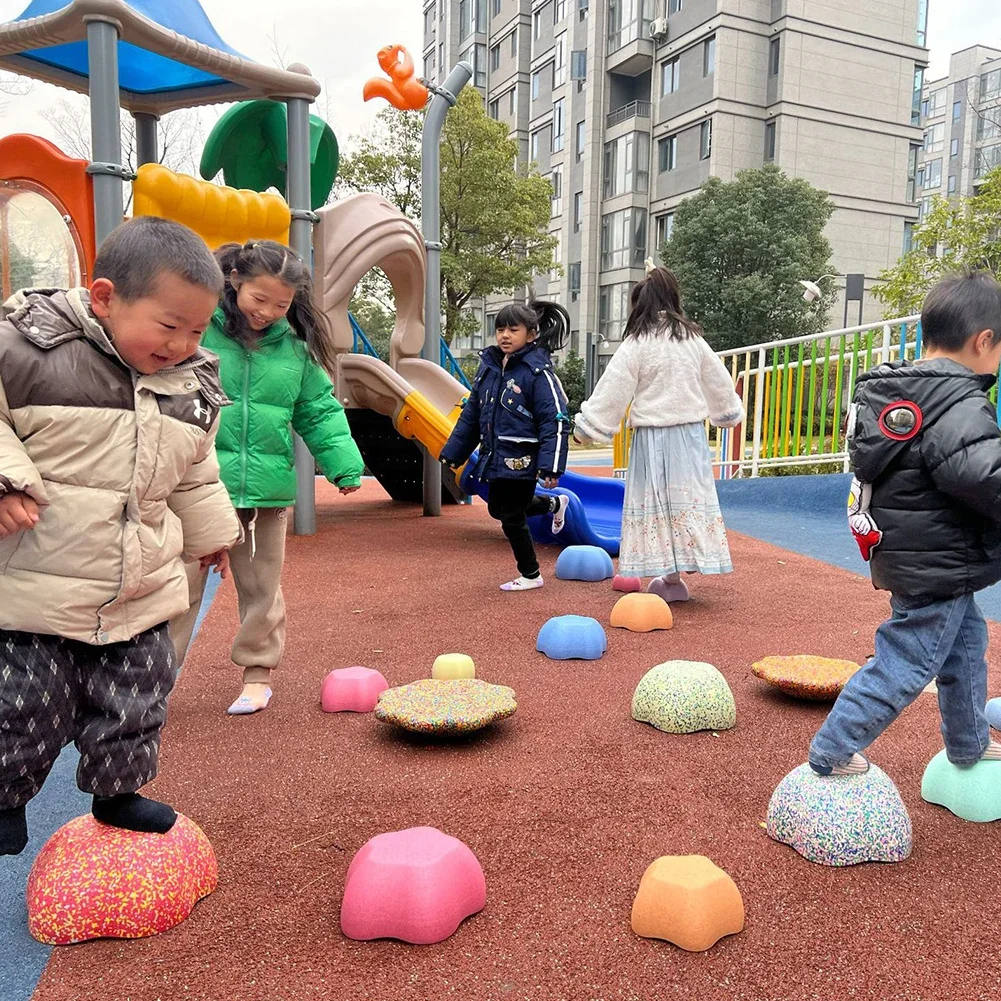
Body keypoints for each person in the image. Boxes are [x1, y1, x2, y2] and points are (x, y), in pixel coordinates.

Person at [0, 217, 242, 856]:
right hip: (36, 585)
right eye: (169, 326)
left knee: (138, 693)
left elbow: (196, 470)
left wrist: (210, 535)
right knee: (26, 702)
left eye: (198, 331)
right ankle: (4, 795)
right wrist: (6, 481)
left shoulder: (192, 386)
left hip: (138, 584)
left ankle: (118, 791)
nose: (183, 345)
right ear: (105, 298)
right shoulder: (27, 350)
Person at [810, 270, 1001, 776]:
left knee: (965, 649)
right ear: (983, 341)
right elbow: (981, 474)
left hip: (916, 555)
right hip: (939, 561)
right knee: (908, 659)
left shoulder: (901, 396)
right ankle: (833, 748)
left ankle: (969, 743)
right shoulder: (958, 402)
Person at [169, 240, 364, 716]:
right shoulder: (200, 333)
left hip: (264, 492)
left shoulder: (295, 351)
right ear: (234, 281)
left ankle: (257, 676)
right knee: (177, 587)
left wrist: (343, 463)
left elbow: (318, 410)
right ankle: (156, 679)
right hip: (198, 488)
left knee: (261, 588)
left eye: (281, 305)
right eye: (259, 299)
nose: (268, 312)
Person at [572, 263, 743, 602]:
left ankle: (666, 573)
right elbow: (718, 380)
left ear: (640, 305)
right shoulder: (692, 340)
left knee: (653, 502)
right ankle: (679, 572)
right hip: (689, 437)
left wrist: (587, 428)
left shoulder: (638, 342)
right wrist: (726, 412)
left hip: (653, 438)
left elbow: (613, 388)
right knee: (686, 499)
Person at [440, 301, 572, 591]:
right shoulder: (489, 369)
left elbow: (555, 421)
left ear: (531, 335)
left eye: (513, 330)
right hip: (495, 455)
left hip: (523, 458)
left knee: (511, 516)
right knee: (498, 508)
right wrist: (454, 452)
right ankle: (553, 504)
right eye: (500, 329)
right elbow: (472, 414)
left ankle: (531, 574)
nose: (505, 335)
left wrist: (550, 467)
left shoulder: (538, 374)